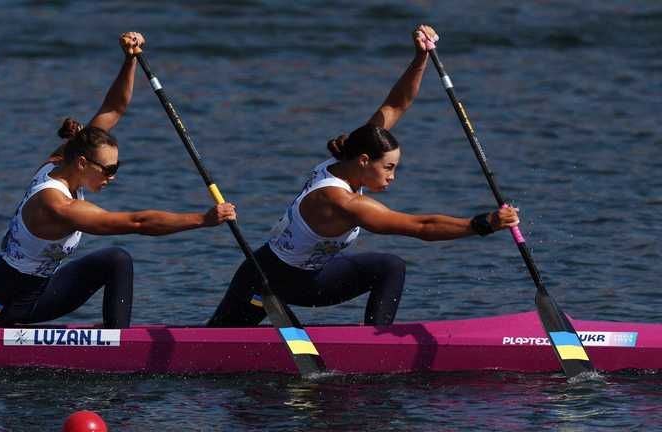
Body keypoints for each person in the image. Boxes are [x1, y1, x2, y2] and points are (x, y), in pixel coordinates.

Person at [207, 25, 519, 328]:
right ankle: (374, 350)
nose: (393, 177)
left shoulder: (345, 159)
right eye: (389, 168)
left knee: (389, 266)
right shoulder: (340, 201)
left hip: (310, 276)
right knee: (211, 348)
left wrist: (420, 58)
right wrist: (483, 224)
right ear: (365, 160)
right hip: (264, 280)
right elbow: (420, 227)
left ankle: (376, 342)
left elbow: (396, 104)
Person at [0, 32, 236, 329]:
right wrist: (202, 219)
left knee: (116, 261)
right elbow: (138, 223)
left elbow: (114, 109)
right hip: (3, 301)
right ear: (82, 162)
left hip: (40, 291)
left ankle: (114, 336)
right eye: (107, 169)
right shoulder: (57, 204)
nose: (113, 176)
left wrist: (129, 60)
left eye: (116, 167)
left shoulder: (61, 160)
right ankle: (117, 349)